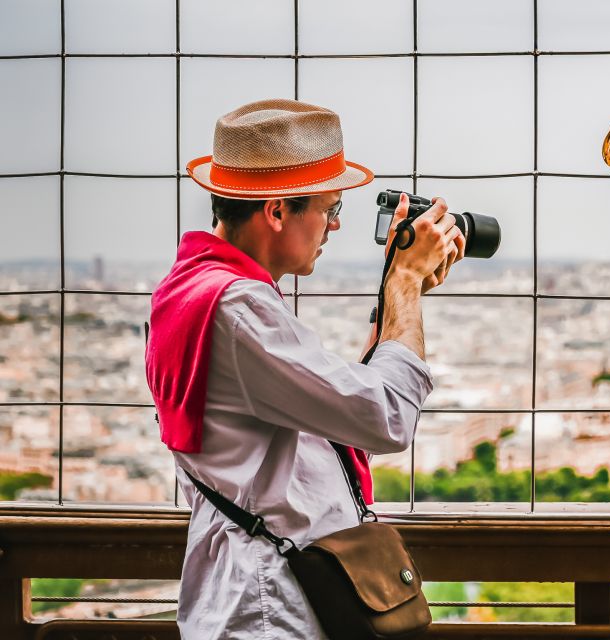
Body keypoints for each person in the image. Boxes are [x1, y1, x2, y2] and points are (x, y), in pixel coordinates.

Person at [144, 99, 464, 639]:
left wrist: (395, 297)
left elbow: (340, 402)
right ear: (276, 211)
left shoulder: (191, 292)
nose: (334, 225)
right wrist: (405, 284)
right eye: (328, 207)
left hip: (244, 589)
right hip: (271, 606)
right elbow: (384, 416)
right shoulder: (239, 311)